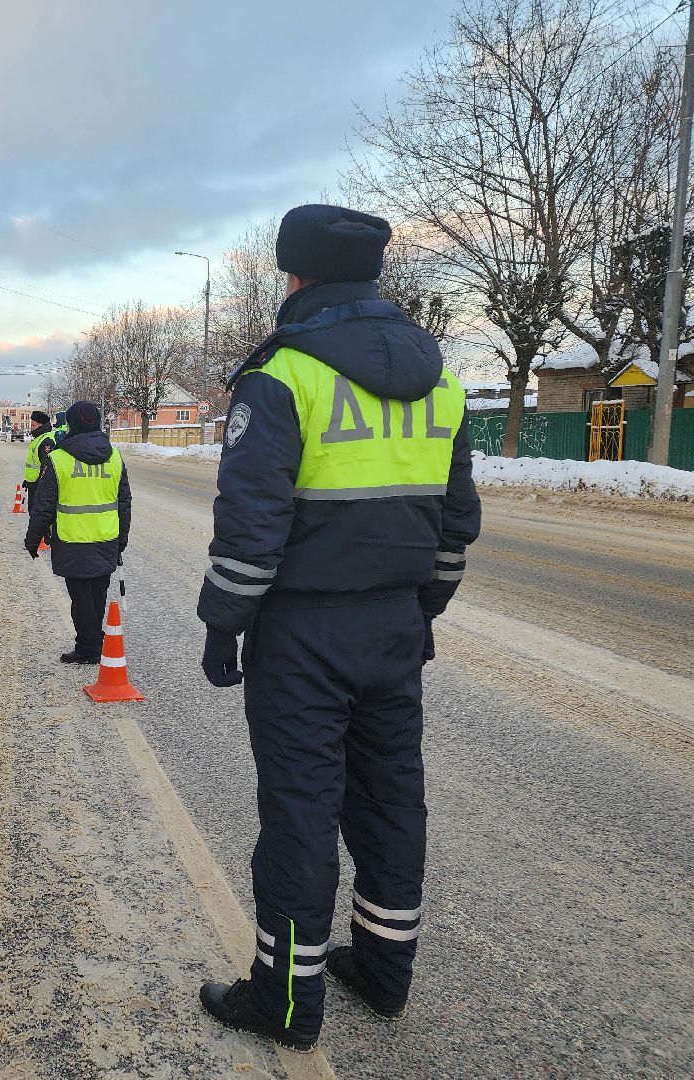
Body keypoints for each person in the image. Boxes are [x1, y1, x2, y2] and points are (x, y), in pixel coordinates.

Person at [195, 204, 481, 1054]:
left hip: (303, 636)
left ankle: (284, 1001)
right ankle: (385, 972)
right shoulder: (443, 382)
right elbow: (454, 526)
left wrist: (224, 623)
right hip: (394, 630)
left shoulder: (284, 375)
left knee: (300, 814)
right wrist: (417, 614)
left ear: (296, 276)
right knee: (391, 799)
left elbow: (252, 521)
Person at [24, 400, 131, 664]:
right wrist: (122, 537)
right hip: (106, 537)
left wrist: (33, 538)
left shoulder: (58, 459)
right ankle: (93, 643)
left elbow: (44, 506)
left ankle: (89, 648)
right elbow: (124, 502)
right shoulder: (115, 456)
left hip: (73, 540)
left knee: (80, 598)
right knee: (97, 594)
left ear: (71, 425)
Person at [21, 410, 57, 509]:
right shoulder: (39, 438)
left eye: (33, 425)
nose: (31, 428)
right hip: (34, 484)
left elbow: (46, 465)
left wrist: (41, 486)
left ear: (41, 425)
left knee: (38, 515)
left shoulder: (46, 441)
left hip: (40, 486)